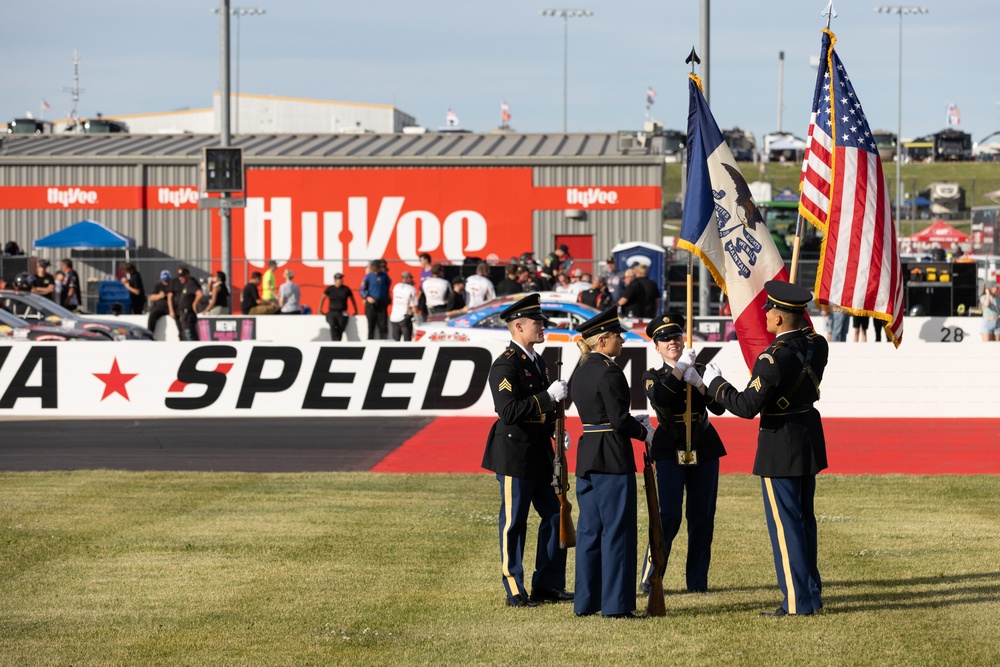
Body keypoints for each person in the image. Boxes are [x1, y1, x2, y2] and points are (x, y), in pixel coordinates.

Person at [700, 280, 828, 616]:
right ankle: (811, 594)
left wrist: (715, 383)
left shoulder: (772, 359)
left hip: (780, 445)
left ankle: (797, 602)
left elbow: (745, 406)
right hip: (807, 438)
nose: (767, 314)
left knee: (786, 528)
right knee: (804, 522)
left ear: (782, 318)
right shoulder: (819, 345)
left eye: (771, 309)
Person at [481, 293, 572, 608]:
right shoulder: (506, 365)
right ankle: (514, 589)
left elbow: (542, 411)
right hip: (515, 453)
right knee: (514, 522)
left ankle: (548, 584)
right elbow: (508, 411)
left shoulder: (537, 362)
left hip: (539, 452)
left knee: (554, 515)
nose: (543, 327)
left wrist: (556, 431)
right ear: (518, 326)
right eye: (537, 323)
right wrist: (547, 398)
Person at [571, 306, 653, 619]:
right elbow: (618, 421)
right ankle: (617, 605)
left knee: (590, 531)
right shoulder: (608, 370)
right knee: (617, 530)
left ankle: (586, 601)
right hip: (611, 455)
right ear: (603, 340)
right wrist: (644, 432)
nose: (622, 339)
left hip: (588, 451)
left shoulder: (582, 369)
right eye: (617, 335)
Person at [637, 314, 727, 595]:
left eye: (676, 337)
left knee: (702, 516)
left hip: (703, 444)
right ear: (657, 347)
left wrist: (700, 382)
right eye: (665, 340)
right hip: (669, 446)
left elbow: (719, 407)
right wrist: (680, 371)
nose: (672, 343)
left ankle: (698, 582)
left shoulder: (700, 368)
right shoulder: (652, 375)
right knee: (669, 515)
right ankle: (652, 577)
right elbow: (661, 399)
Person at [320, 273, 358, 341]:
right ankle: (335, 341)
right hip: (332, 312)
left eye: (341, 279)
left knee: (341, 327)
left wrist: (355, 310)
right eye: (339, 279)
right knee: (332, 324)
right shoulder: (330, 289)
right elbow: (322, 298)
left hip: (342, 312)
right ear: (335, 280)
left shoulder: (346, 289)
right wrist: (319, 310)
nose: (341, 280)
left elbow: (352, 300)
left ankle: (337, 341)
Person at [169, 266, 203, 341]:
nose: (180, 278)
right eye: (179, 276)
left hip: (188, 315)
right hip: (184, 315)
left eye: (182, 276)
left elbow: (200, 294)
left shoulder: (191, 283)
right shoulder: (186, 285)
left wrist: (195, 304)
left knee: (189, 337)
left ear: (187, 275)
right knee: (184, 336)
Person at [360, 260, 391, 339]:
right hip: (371, 305)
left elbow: (388, 286)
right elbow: (362, 289)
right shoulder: (368, 276)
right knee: (371, 325)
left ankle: (384, 343)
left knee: (383, 325)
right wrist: (367, 297)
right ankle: (370, 342)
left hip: (381, 304)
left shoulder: (384, 276)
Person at [389, 270, 419, 341]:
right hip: (405, 317)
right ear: (408, 278)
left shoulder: (396, 286)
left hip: (394, 317)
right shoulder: (412, 289)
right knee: (407, 341)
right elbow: (414, 307)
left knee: (395, 341)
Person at [147, 270, 173, 336]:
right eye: (164, 280)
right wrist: (159, 296)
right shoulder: (158, 285)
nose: (166, 282)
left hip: (171, 307)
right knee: (152, 315)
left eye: (167, 280)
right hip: (160, 307)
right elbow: (151, 297)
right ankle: (150, 333)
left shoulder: (173, 285)